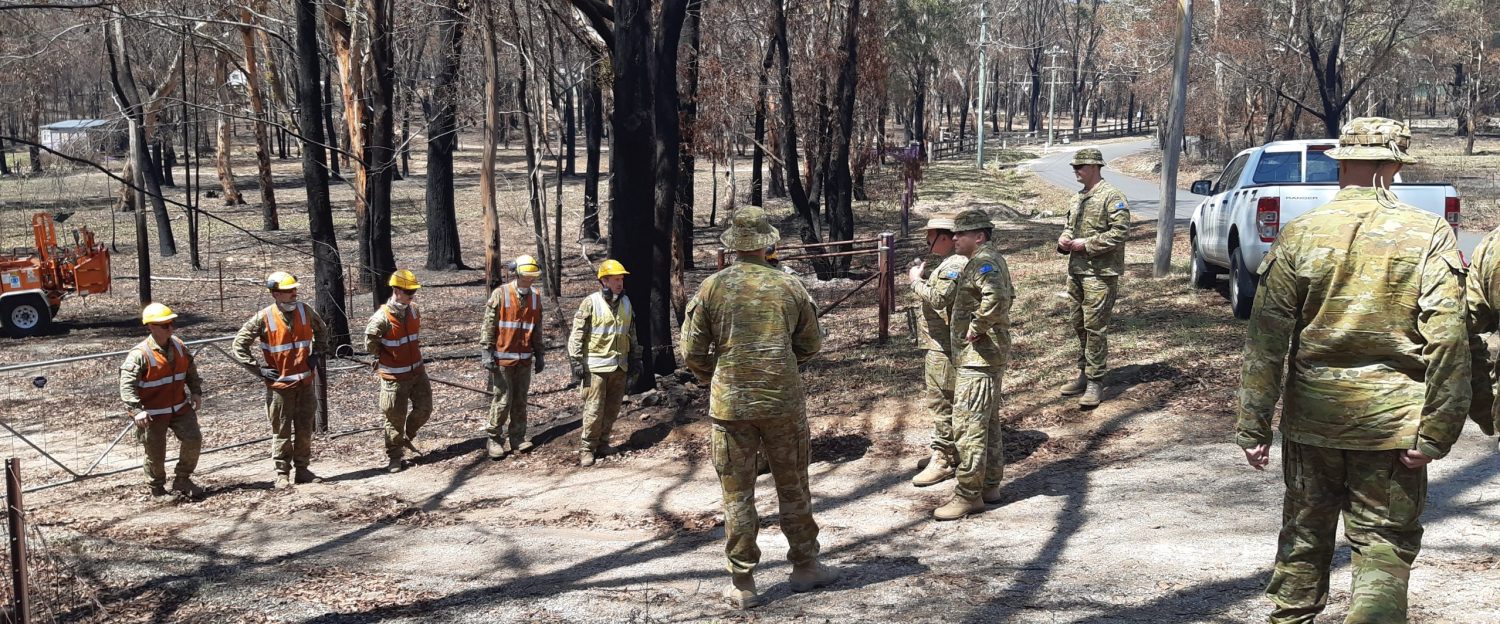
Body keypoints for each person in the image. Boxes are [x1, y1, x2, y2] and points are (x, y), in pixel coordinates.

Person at [1237, 117, 1470, 624]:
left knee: (1304, 535)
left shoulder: (1300, 234)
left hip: (1312, 425)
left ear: (1341, 163)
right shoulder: (1426, 233)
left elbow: (1266, 342)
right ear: (1393, 166)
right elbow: (1448, 340)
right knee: (1382, 548)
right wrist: (1437, 432)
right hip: (1392, 429)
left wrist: (1253, 426)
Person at [682, 206, 837, 609]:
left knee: (737, 495)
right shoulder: (789, 287)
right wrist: (780, 368)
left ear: (733, 245)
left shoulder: (712, 288)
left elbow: (692, 351)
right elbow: (811, 344)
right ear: (768, 243)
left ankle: (743, 582)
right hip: (782, 403)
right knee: (793, 485)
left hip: (731, 406)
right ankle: (806, 566)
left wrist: (718, 376)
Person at [935, 208, 1013, 520]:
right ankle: (990, 485)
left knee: (967, 426)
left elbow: (996, 298)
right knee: (988, 423)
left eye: (961, 234)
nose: (954, 238)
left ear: (979, 236)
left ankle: (969, 494)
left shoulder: (983, 261)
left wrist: (976, 327)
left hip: (977, 359)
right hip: (982, 358)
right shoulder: (986, 260)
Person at [232, 271, 329, 489]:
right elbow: (239, 345)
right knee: (282, 431)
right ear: (276, 294)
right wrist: (259, 370)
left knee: (305, 430)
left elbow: (322, 331)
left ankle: (303, 470)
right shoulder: (264, 317)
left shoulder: (305, 311)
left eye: (294, 290)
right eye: (288, 291)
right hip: (280, 388)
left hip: (304, 384)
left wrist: (317, 354)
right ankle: (282, 473)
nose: (294, 294)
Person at [1056, 148, 1130, 408]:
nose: (1076, 170)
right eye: (1074, 166)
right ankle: (1084, 372)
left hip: (1100, 273)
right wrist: (1064, 239)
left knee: (1094, 327)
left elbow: (1119, 232)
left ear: (1096, 167)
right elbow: (1070, 226)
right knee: (1078, 323)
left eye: (1081, 166)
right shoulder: (1078, 198)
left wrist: (1087, 244)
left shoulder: (1112, 197)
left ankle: (1096, 381)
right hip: (1076, 270)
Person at [119, 303, 204, 498]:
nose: (170, 328)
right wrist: (135, 410)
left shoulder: (179, 346)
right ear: (151, 327)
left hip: (179, 408)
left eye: (171, 324)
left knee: (193, 439)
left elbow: (190, 370)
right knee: (155, 453)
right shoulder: (139, 355)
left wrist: (196, 391)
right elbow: (127, 385)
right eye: (165, 325)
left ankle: (183, 479)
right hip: (153, 413)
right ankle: (157, 489)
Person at [908, 212, 968, 487]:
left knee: (942, 402)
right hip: (939, 345)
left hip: (944, 348)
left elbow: (940, 299)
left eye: (930, 236)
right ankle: (946, 449)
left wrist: (915, 281)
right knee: (943, 401)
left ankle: (943, 458)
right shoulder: (949, 263)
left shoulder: (955, 264)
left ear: (944, 237)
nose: (927, 240)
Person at [569, 259, 640, 467]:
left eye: (621, 279)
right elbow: (577, 334)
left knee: (612, 408)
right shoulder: (591, 302)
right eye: (616, 279)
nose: (620, 283)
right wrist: (576, 362)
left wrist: (636, 357)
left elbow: (631, 332)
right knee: (594, 410)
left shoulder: (626, 302)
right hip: (596, 367)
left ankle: (603, 442)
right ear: (604, 281)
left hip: (619, 365)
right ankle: (587, 448)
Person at [364, 269, 432, 473]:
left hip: (417, 373)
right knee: (394, 419)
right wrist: (385, 359)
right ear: (396, 290)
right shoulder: (380, 318)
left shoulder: (414, 310)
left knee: (425, 409)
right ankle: (394, 457)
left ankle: (406, 438)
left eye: (414, 290)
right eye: (408, 290)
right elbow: (371, 345)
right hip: (394, 377)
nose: (412, 294)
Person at [480, 255, 546, 459]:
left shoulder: (535, 297)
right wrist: (486, 351)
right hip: (503, 358)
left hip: (524, 359)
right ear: (516, 273)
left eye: (533, 276)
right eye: (527, 276)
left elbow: (536, 329)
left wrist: (539, 354)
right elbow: (489, 324)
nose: (530, 280)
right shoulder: (501, 294)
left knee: (520, 400)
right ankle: (494, 439)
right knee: (503, 400)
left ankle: (518, 437)